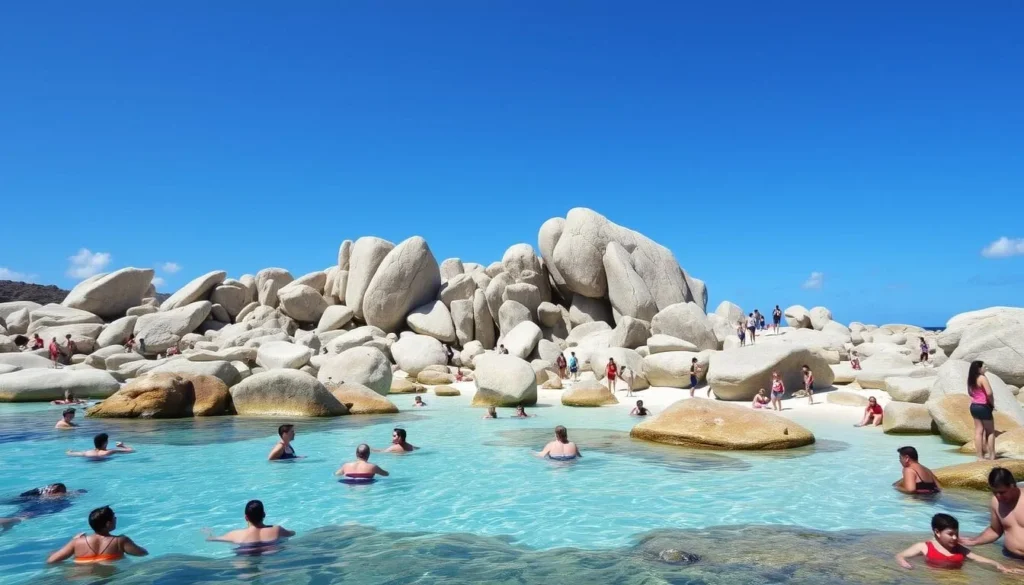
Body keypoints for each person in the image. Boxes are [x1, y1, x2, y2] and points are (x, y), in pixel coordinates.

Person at [896, 513, 1017, 573]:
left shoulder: (959, 549)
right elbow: (900, 555)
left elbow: (978, 559)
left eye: (956, 534)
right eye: (950, 534)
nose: (955, 538)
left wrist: (998, 565)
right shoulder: (924, 547)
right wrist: (904, 563)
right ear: (937, 532)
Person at [46, 506, 148, 564]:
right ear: (108, 523)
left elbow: (52, 560)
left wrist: (74, 540)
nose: (116, 519)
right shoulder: (120, 541)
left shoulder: (76, 542)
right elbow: (142, 553)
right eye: (114, 518)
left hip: (80, 578)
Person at [962, 467, 1024, 559]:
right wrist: (974, 541)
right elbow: (995, 530)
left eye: (1002, 492)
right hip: (1010, 556)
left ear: (1012, 486)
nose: (998, 497)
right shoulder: (996, 502)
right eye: (994, 492)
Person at [204, 500, 295, 554]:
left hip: (245, 556)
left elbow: (211, 539)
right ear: (264, 514)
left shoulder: (235, 534)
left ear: (246, 517)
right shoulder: (277, 530)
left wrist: (208, 532)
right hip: (271, 555)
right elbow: (292, 533)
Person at [968, 360, 996, 461]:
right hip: (983, 406)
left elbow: (971, 393)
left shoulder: (971, 379)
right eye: (984, 366)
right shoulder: (982, 378)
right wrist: (992, 404)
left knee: (978, 432)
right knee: (990, 432)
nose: (986, 368)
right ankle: (992, 456)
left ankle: (980, 457)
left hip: (974, 406)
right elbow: (989, 393)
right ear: (979, 369)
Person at [67, 433, 134, 459]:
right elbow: (131, 451)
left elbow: (69, 454)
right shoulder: (111, 451)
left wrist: (70, 451)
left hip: (90, 461)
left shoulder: (87, 452)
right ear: (105, 443)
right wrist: (122, 446)